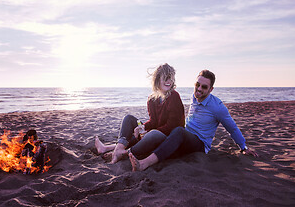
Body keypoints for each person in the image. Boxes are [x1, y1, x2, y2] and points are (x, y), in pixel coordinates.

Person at [129, 69, 259, 171]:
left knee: (178, 131)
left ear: (211, 89)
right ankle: (124, 152)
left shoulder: (218, 107)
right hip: (183, 137)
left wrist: (244, 147)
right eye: (197, 85)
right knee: (162, 135)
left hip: (199, 144)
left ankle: (144, 164)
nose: (199, 89)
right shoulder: (194, 96)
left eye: (204, 87)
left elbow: (232, 128)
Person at [95, 63, 185, 164]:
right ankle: (118, 148)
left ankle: (122, 153)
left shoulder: (174, 96)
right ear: (157, 79)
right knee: (128, 119)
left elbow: (173, 126)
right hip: (154, 133)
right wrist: (143, 127)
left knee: (153, 134)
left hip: (168, 139)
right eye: (166, 78)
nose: (169, 81)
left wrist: (149, 132)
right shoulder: (152, 99)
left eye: (171, 78)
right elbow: (153, 121)